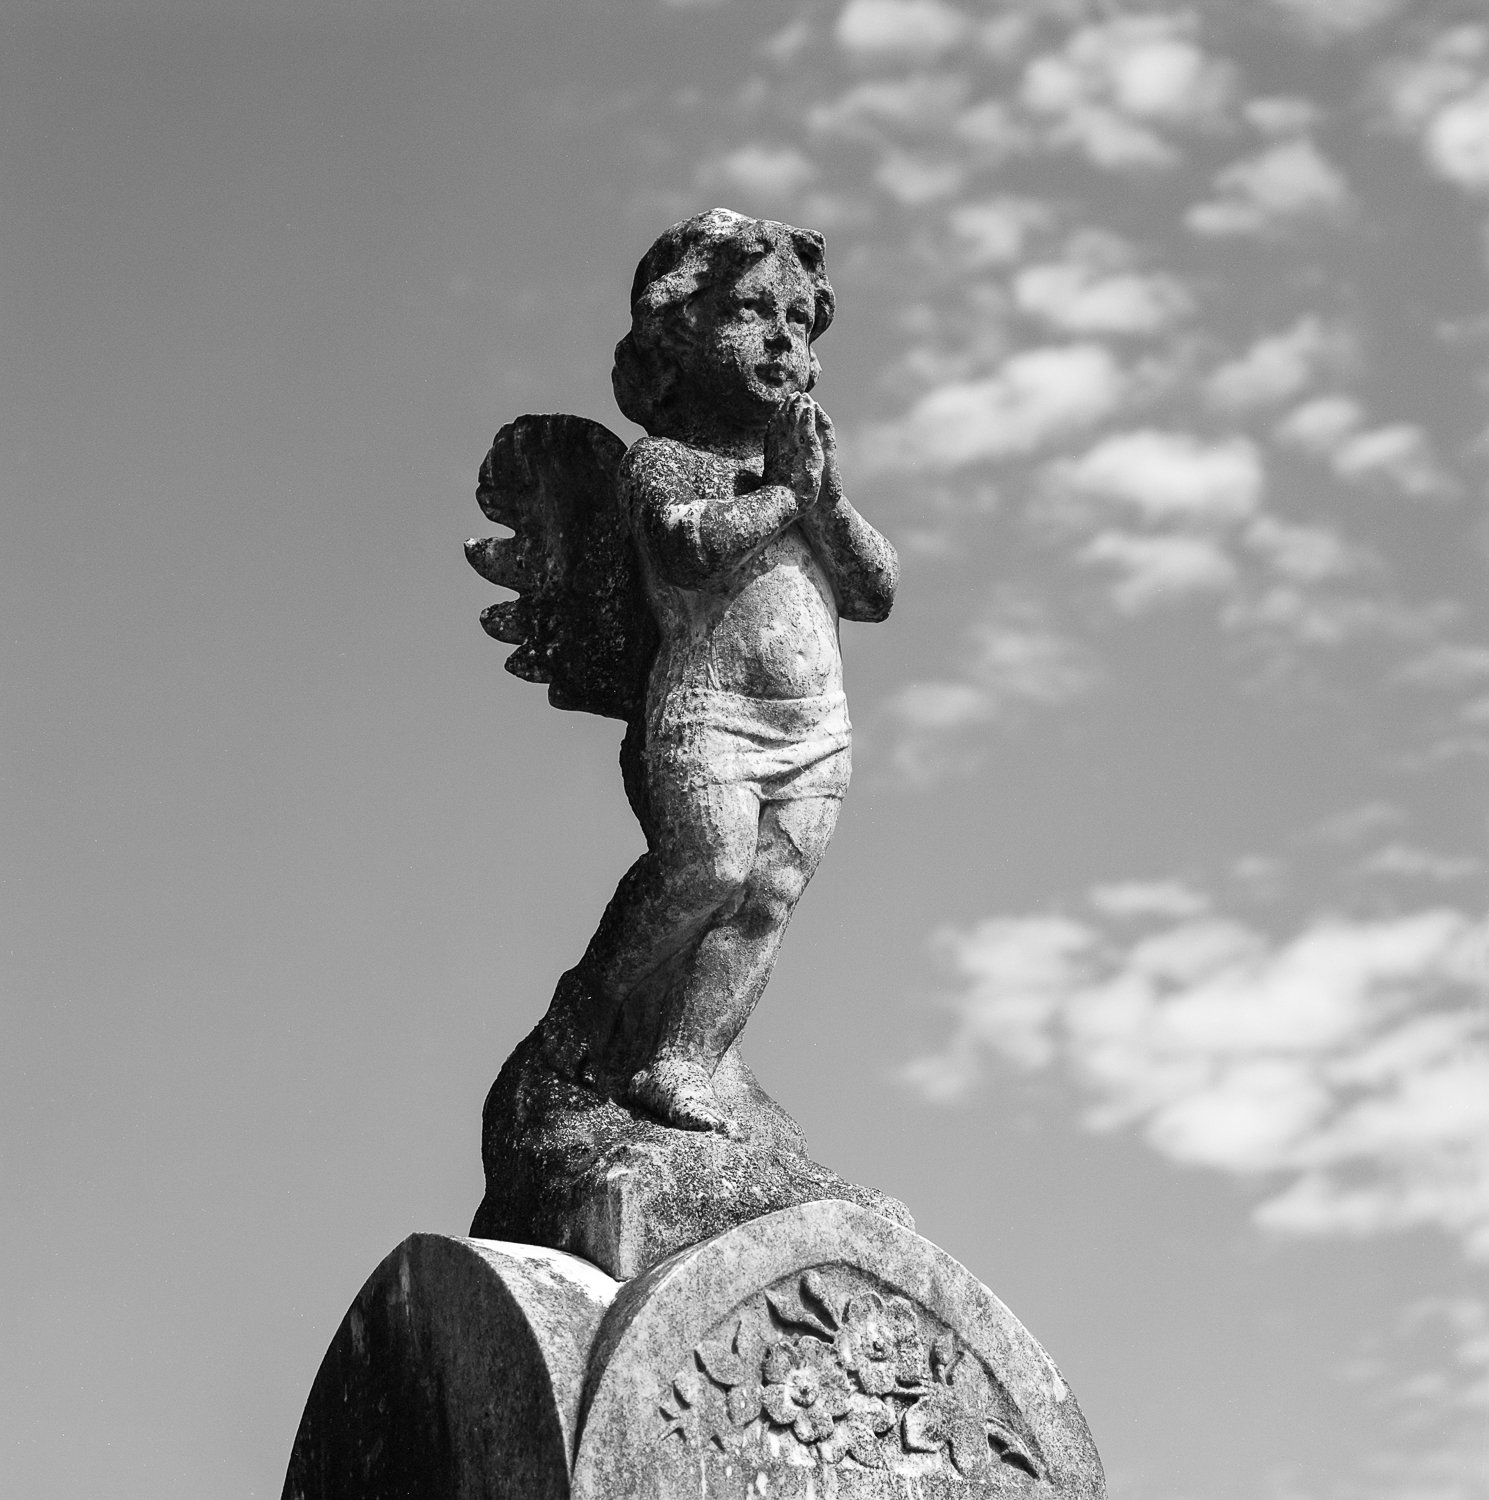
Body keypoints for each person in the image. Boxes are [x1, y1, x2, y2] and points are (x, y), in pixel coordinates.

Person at [539, 208, 898, 1136]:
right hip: (711, 716)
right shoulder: (669, 464)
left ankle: (684, 1061)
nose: (781, 338)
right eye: (750, 310)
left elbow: (875, 589)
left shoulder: (801, 483)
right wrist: (785, 496)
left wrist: (823, 503)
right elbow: (687, 548)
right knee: (706, 867)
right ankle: (602, 1003)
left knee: (766, 899)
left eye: (798, 322)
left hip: (815, 728)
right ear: (679, 334)